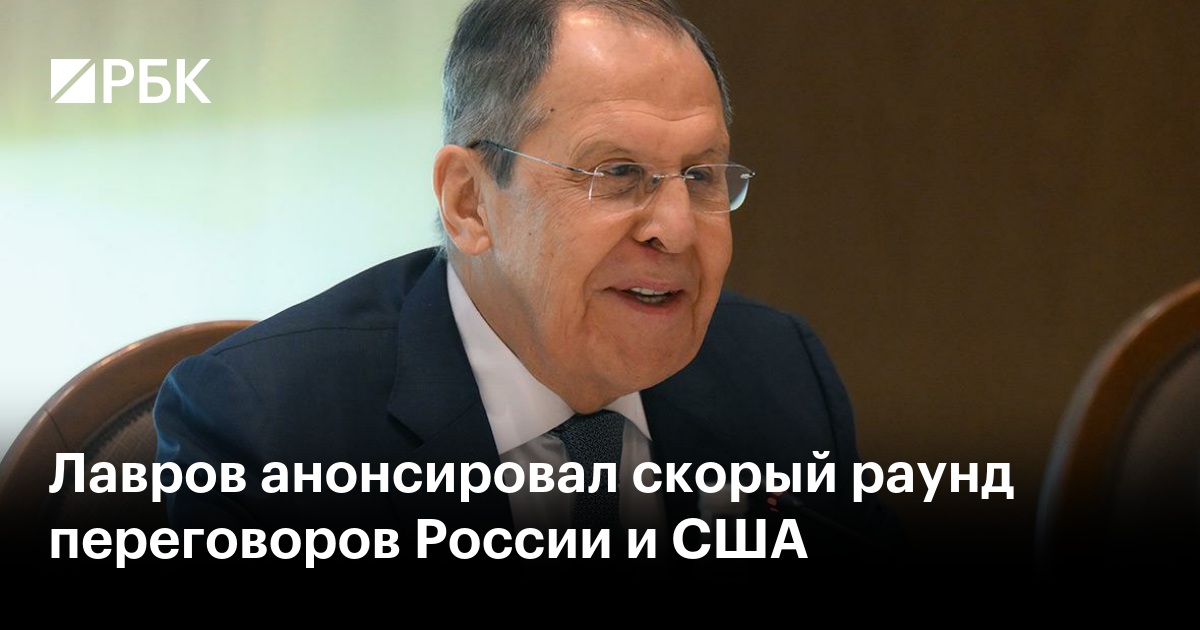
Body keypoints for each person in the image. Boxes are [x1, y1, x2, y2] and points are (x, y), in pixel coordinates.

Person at [154, 0, 905, 574]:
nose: (676, 229)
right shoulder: (267, 428)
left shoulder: (778, 375)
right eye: (618, 173)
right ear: (469, 203)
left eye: (701, 176)